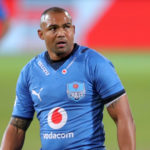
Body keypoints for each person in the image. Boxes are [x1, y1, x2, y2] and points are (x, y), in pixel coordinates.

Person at [0, 7, 136, 150]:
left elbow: (123, 117)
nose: (61, 34)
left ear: (73, 30)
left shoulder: (95, 63)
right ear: (41, 34)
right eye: (53, 28)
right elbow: (17, 126)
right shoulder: (30, 72)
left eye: (66, 27)